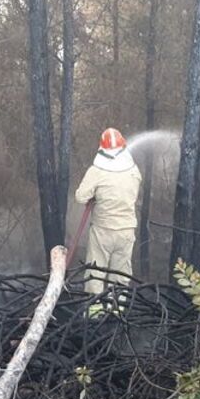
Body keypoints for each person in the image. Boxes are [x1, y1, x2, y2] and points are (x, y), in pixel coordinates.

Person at [74, 128, 142, 312]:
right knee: (120, 275)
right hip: (126, 231)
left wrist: (97, 194)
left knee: (95, 274)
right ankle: (117, 312)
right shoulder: (133, 170)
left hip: (102, 231)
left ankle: (94, 313)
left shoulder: (97, 171)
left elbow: (81, 197)